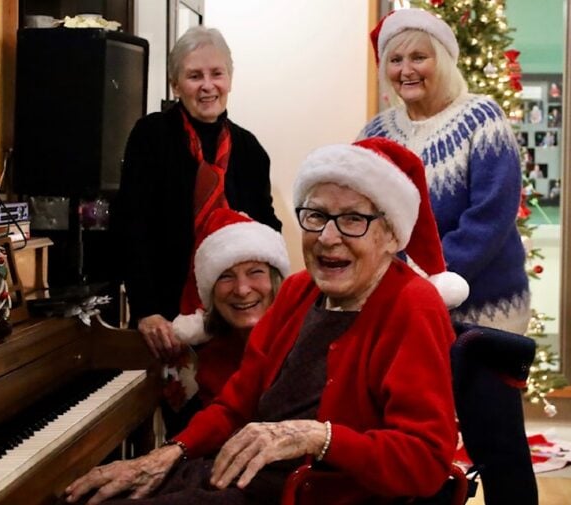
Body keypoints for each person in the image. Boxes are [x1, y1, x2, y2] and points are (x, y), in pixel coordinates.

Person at [64, 138, 465, 505]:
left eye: (353, 220)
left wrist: (315, 436)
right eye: (316, 216)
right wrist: (168, 454)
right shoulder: (297, 292)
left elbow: (426, 464)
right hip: (234, 476)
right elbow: (236, 404)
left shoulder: (412, 305)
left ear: (392, 235)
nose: (327, 237)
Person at [111, 26, 281, 361]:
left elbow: (267, 231)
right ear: (175, 84)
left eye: (217, 73)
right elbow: (131, 228)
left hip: (235, 317)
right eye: (194, 76)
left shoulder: (249, 149)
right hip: (164, 320)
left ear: (229, 79)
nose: (207, 86)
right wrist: (146, 310)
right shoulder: (150, 136)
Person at [360, 8, 530, 334]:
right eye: (395, 60)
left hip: (486, 310)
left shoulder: (482, 118)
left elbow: (490, 215)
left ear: (441, 61)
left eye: (418, 57)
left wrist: (429, 276)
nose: (406, 70)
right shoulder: (374, 133)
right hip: (402, 305)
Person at [162, 208, 290, 435]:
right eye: (225, 276)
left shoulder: (303, 344)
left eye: (255, 272)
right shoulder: (199, 366)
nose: (241, 290)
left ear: (275, 281)